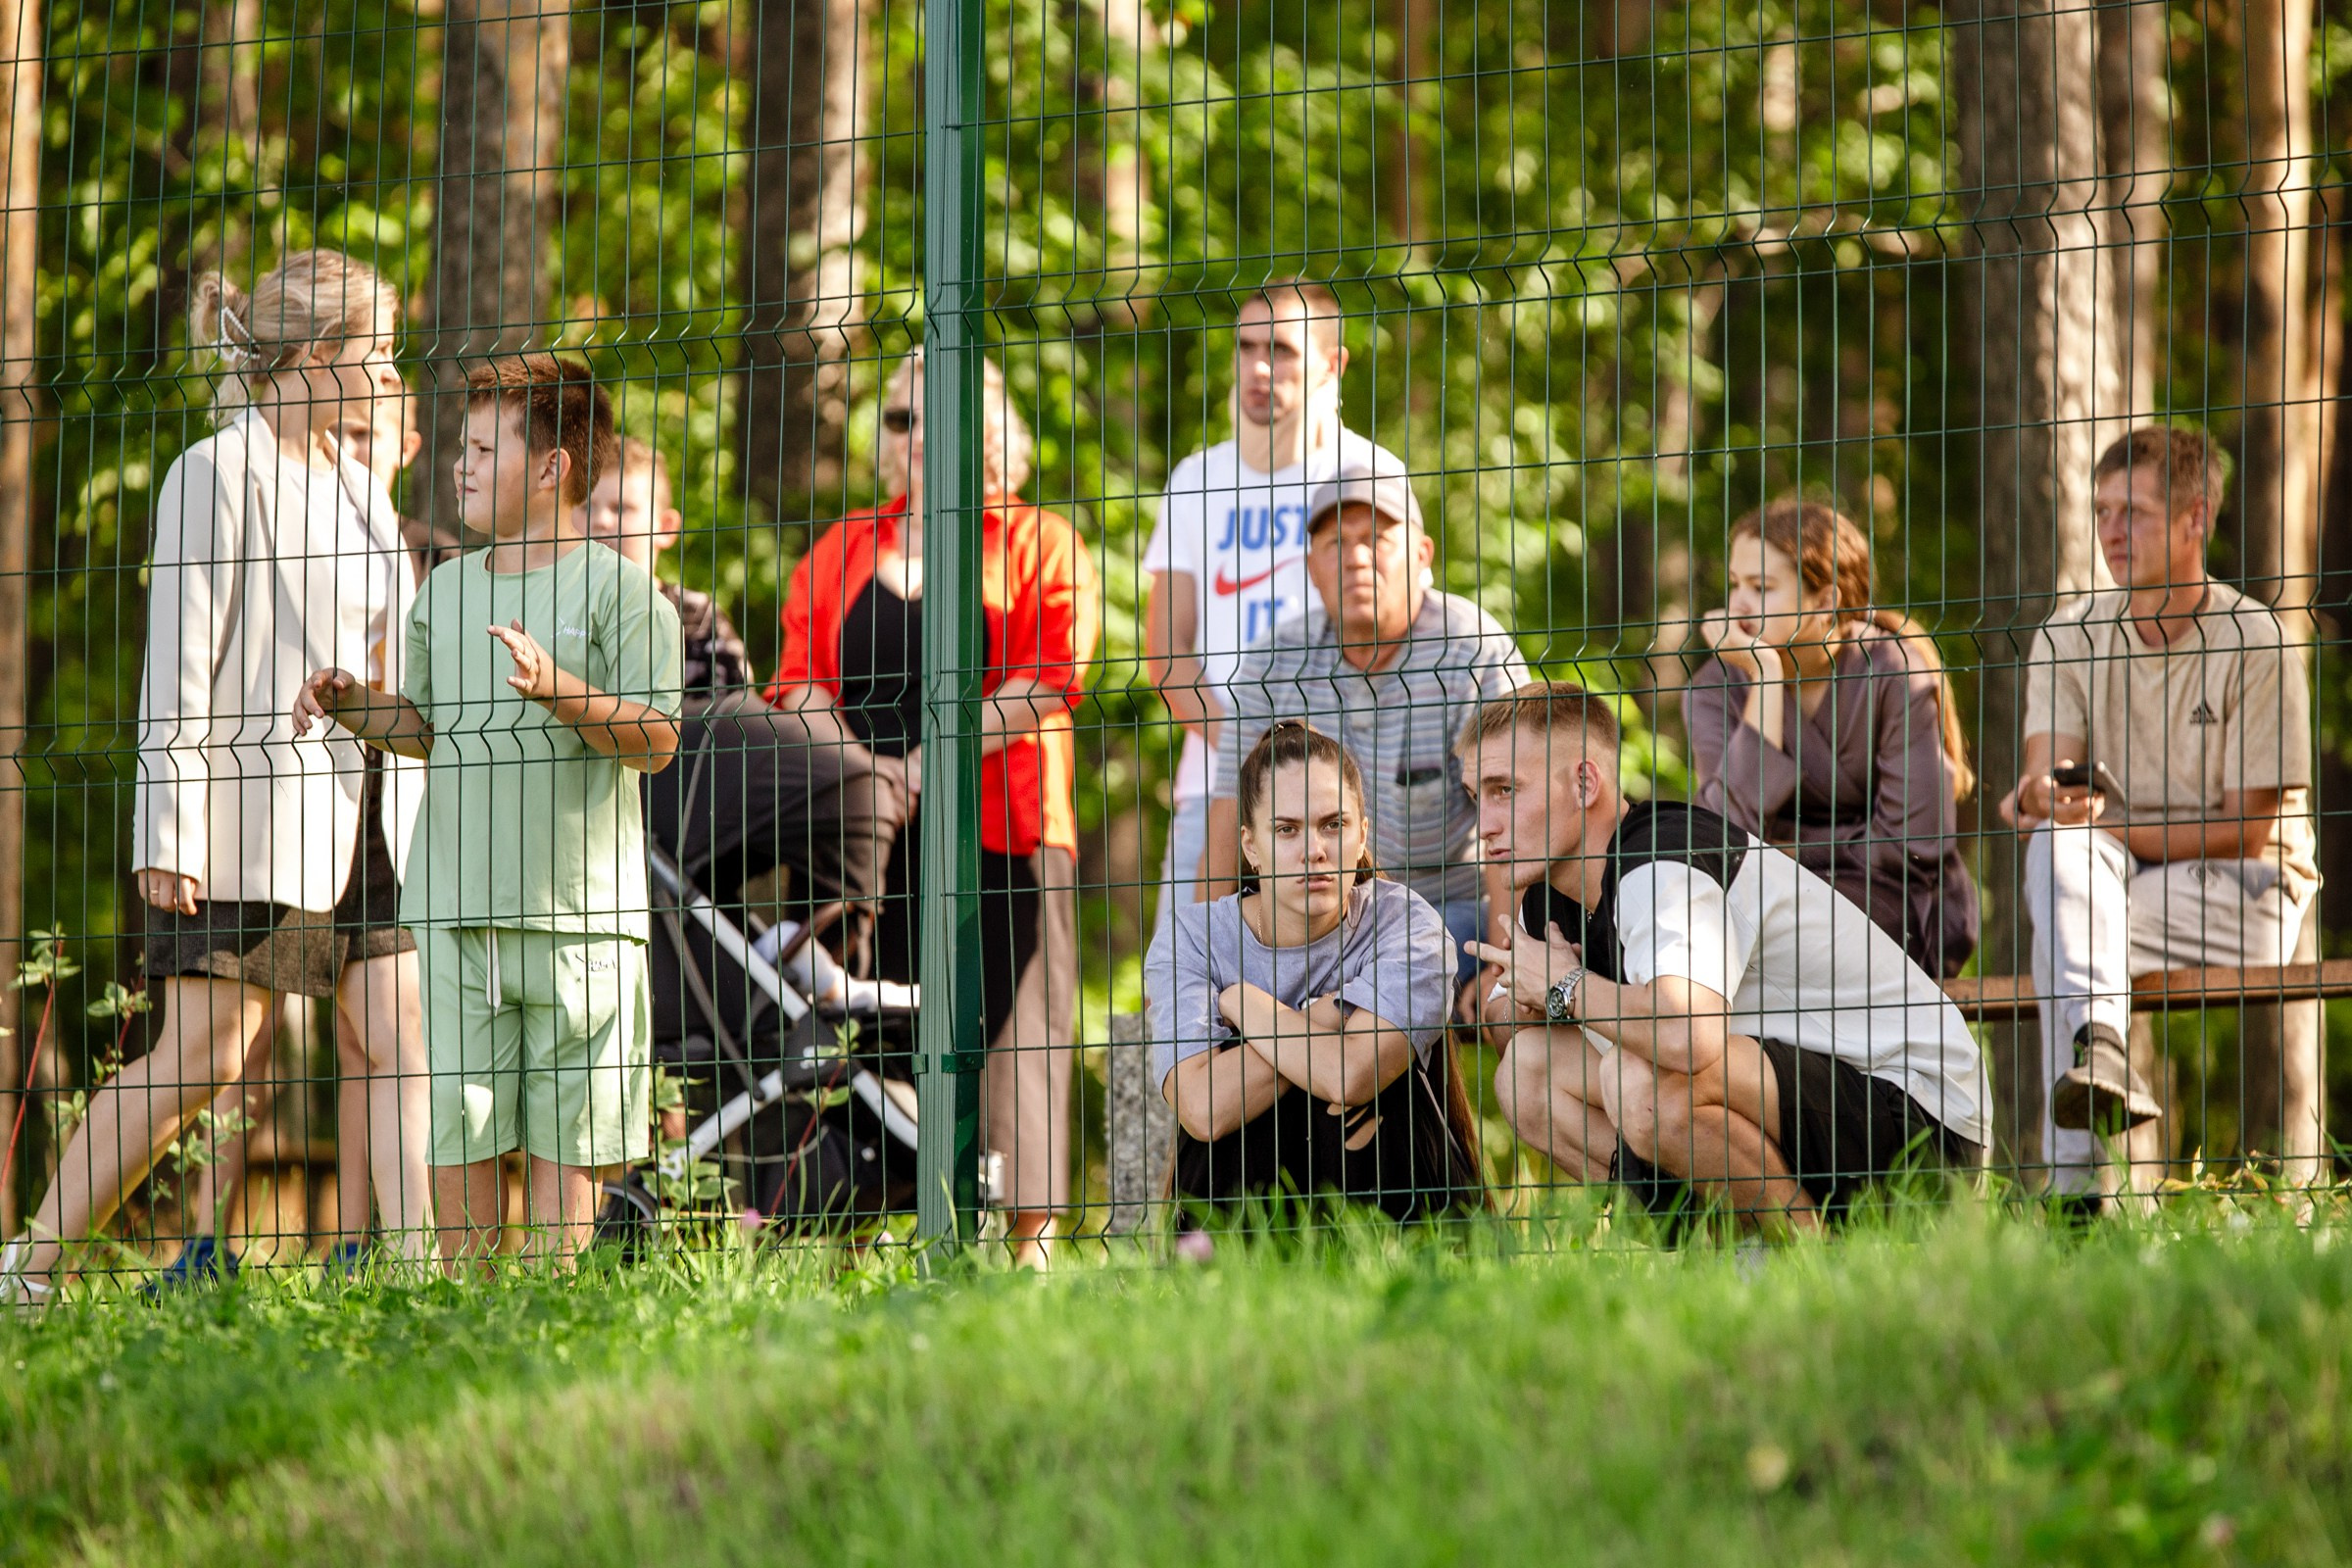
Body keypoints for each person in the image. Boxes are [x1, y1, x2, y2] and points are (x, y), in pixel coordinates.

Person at [1, 251, 430, 1306]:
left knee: (395, 1032)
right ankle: (31, 1267)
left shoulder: (364, 496)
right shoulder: (215, 474)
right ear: (319, 355)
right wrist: (167, 838)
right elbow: (178, 665)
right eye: (375, 353)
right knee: (201, 1058)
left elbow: (393, 654)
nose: (387, 376)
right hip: (253, 820)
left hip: (378, 812)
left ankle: (420, 1283)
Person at [292, 354, 684, 1268]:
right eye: (460, 446)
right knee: (461, 1136)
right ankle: (463, 1310)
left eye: (480, 447)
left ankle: (548, 1309)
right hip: (456, 913)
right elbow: (427, 727)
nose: (458, 467)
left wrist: (558, 690)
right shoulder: (450, 591)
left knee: (568, 1141)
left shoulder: (623, 594)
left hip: (581, 925)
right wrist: (354, 702)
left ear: (550, 469)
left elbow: (656, 736)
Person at [765, 349, 1100, 1267]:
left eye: (941, 418)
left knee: (1014, 1041)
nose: (918, 439)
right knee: (861, 1034)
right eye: (902, 420)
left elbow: (1049, 679)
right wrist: (873, 777)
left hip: (1005, 832)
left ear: (995, 437)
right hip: (860, 839)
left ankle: (1025, 1261)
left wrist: (930, 760)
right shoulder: (841, 547)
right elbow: (796, 685)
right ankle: (851, 1254)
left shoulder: (1039, 542)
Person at [1462, 682, 1988, 1230]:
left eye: (1506, 790)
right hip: (1798, 1109)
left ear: (1584, 782)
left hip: (1923, 1122)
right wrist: (1535, 1001)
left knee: (1642, 1082)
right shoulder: (1550, 895)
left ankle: (1808, 1272)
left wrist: (1565, 987)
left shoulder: (1663, 863)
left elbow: (1689, 1034)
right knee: (1526, 1077)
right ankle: (1721, 1256)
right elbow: (1512, 1027)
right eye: (1478, 796)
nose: (1486, 825)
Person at [2000, 425, 2318, 1204]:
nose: (2110, 531)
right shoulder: (2067, 636)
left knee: (2066, 921)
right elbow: (2053, 784)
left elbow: (2246, 828)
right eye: (2102, 510)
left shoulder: (2256, 640)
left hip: (2244, 892)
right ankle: (2099, 1059)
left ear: (2195, 518)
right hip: (2115, 883)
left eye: (2133, 512)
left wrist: (2094, 826)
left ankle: (2072, 1183)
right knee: (2060, 861)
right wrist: (2044, 798)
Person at [184, 372, 442, 1276]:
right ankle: (202, 1242)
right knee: (236, 1040)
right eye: (345, 434)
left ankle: (372, 1250)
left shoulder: (422, 553)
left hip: (382, 808)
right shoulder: (267, 510)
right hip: (282, 806)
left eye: (373, 437)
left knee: (385, 1032)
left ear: (406, 448)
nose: (352, 452)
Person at [1202, 460, 1528, 1013]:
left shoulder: (1475, 652)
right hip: (1314, 915)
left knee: (1344, 998)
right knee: (1234, 1002)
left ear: (1422, 555)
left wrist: (1503, 962)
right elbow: (1229, 817)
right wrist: (1204, 952)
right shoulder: (1272, 664)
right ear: (1311, 567)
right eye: (1335, 543)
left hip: (1451, 909)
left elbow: (1516, 820)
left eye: (1375, 539)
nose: (1355, 558)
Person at [1143, 279, 1400, 947]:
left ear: (1332, 363)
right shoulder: (1197, 479)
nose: (1260, 368)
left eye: (1282, 350)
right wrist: (1257, 756)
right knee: (1184, 977)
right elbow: (1166, 657)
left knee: (1350, 997)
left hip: (1351, 788)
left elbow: (1402, 631)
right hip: (1218, 780)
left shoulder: (1372, 473)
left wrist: (1310, 766)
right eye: (1247, 348)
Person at [1148, 722, 1482, 1229]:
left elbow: (1351, 1076)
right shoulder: (1193, 937)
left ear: (1362, 833)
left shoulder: (1405, 923)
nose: (1314, 850)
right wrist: (1332, 1020)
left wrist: (1245, 1005)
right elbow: (1204, 1107)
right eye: (1286, 830)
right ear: (1251, 846)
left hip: (1395, 1208)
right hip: (1236, 1216)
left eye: (1333, 824)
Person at [1683, 501, 1979, 977]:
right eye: (1735, 584)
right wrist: (1765, 678)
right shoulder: (1713, 691)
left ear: (1825, 603)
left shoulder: (1895, 672)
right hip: (1767, 899)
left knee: (1789, 943)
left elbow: (1916, 844)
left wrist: (1788, 852)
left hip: (1899, 904)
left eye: (1761, 588)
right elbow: (1720, 840)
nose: (1737, 605)